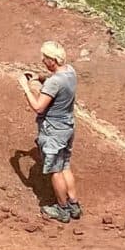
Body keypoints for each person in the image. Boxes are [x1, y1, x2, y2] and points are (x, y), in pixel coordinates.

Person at [18, 40, 80, 221]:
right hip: (67, 127)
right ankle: (73, 204)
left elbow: (38, 107)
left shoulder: (54, 83)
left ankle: (62, 209)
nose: (43, 60)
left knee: (55, 170)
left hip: (52, 130)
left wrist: (25, 87)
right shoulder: (70, 71)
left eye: (45, 58)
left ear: (52, 60)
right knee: (65, 165)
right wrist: (40, 77)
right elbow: (56, 80)